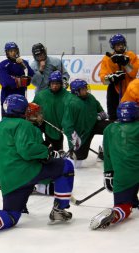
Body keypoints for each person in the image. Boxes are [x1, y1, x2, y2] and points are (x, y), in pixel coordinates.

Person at [0, 94, 74, 238]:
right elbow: (27, 150)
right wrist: (47, 152)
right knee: (66, 166)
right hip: (28, 172)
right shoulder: (24, 125)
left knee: (12, 214)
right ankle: (59, 210)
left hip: (8, 179)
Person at [90, 102, 139, 230]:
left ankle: (116, 213)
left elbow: (107, 154)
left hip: (122, 175)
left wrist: (108, 173)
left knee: (124, 205)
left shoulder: (109, 129)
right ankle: (133, 199)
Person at [62, 79, 110, 168]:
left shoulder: (90, 97)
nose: (86, 90)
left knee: (111, 128)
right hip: (82, 133)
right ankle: (71, 154)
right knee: (80, 157)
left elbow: (101, 111)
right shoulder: (72, 103)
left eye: (85, 88)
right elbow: (67, 125)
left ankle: (105, 151)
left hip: (93, 125)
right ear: (76, 92)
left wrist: (100, 116)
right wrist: (74, 138)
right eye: (83, 89)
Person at [99, 34, 139, 120]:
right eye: (118, 45)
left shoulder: (131, 55)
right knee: (113, 116)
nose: (121, 46)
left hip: (130, 89)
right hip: (114, 90)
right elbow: (103, 79)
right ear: (113, 47)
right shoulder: (107, 59)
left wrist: (126, 63)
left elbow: (133, 73)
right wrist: (112, 79)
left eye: (122, 44)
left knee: (132, 115)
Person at [33, 70, 71, 151]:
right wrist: (36, 117)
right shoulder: (41, 95)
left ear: (61, 84)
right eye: (52, 84)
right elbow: (33, 108)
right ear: (49, 84)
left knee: (56, 149)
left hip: (56, 126)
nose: (54, 86)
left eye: (57, 84)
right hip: (41, 122)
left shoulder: (68, 96)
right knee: (34, 135)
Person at [0, 42, 34, 116]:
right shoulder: (3, 64)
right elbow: (5, 82)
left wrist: (23, 65)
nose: (13, 53)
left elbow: (31, 74)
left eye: (15, 51)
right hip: (7, 100)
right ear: (7, 53)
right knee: (7, 122)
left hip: (21, 99)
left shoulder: (23, 63)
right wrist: (21, 81)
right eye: (11, 51)